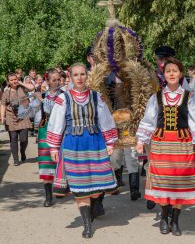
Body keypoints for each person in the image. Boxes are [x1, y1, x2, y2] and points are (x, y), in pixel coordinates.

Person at [136, 58, 195, 236]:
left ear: (181, 74)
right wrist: (141, 140)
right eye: (168, 71)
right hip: (161, 145)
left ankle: (175, 220)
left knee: (179, 183)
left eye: (175, 70)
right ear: (164, 75)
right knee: (163, 181)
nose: (172, 74)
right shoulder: (157, 96)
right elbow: (149, 120)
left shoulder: (188, 97)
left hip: (182, 145)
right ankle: (163, 216)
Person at [46, 63, 118, 238]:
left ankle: (94, 206)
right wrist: (54, 146)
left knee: (96, 183)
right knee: (79, 187)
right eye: (76, 75)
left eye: (82, 74)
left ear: (87, 76)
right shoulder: (64, 99)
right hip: (73, 145)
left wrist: (110, 142)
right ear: (70, 77)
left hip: (95, 143)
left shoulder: (96, 97)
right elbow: (56, 122)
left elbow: (106, 119)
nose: (79, 78)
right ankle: (87, 224)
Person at [35, 69, 64, 207]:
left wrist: (41, 99)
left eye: (59, 79)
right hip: (45, 130)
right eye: (54, 80)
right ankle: (48, 196)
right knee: (46, 162)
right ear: (48, 81)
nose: (57, 82)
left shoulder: (65, 95)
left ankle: (61, 187)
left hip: (61, 130)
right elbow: (31, 112)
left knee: (62, 160)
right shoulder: (43, 94)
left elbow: (53, 109)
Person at [0, 73, 35, 165]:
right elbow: (3, 105)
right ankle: (16, 159)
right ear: (8, 82)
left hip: (23, 116)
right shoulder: (6, 92)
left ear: (17, 79)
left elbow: (32, 87)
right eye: (11, 80)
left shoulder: (22, 88)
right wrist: (2, 116)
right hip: (11, 117)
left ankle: (23, 152)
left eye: (15, 79)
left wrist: (20, 83)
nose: (13, 81)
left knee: (24, 140)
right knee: (13, 139)